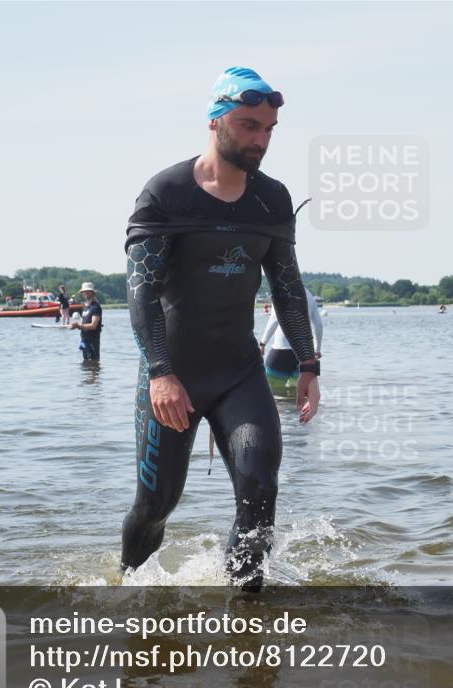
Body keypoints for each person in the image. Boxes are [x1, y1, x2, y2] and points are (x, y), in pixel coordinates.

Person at [121, 66, 321, 591]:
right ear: (215, 121)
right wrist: (161, 373)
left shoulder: (271, 199)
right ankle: (125, 589)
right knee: (156, 505)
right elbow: (140, 293)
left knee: (260, 493)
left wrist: (308, 363)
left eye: (269, 129)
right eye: (249, 125)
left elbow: (287, 286)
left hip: (240, 374)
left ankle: (246, 627)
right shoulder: (166, 193)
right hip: (173, 377)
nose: (261, 139)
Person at [259, 288, 323, 390]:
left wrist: (263, 343)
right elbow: (319, 325)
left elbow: (274, 319)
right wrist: (317, 349)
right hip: (306, 354)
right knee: (297, 397)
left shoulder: (281, 293)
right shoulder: (309, 295)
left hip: (281, 352)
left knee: (273, 394)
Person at [70, 282, 102, 360]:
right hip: (84, 340)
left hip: (92, 342)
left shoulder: (95, 307)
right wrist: (75, 326)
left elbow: (93, 326)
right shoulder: (85, 307)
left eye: (88, 291)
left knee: (93, 365)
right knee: (86, 365)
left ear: (92, 292)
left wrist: (78, 325)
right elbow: (84, 323)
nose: (85, 293)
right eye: (84, 291)